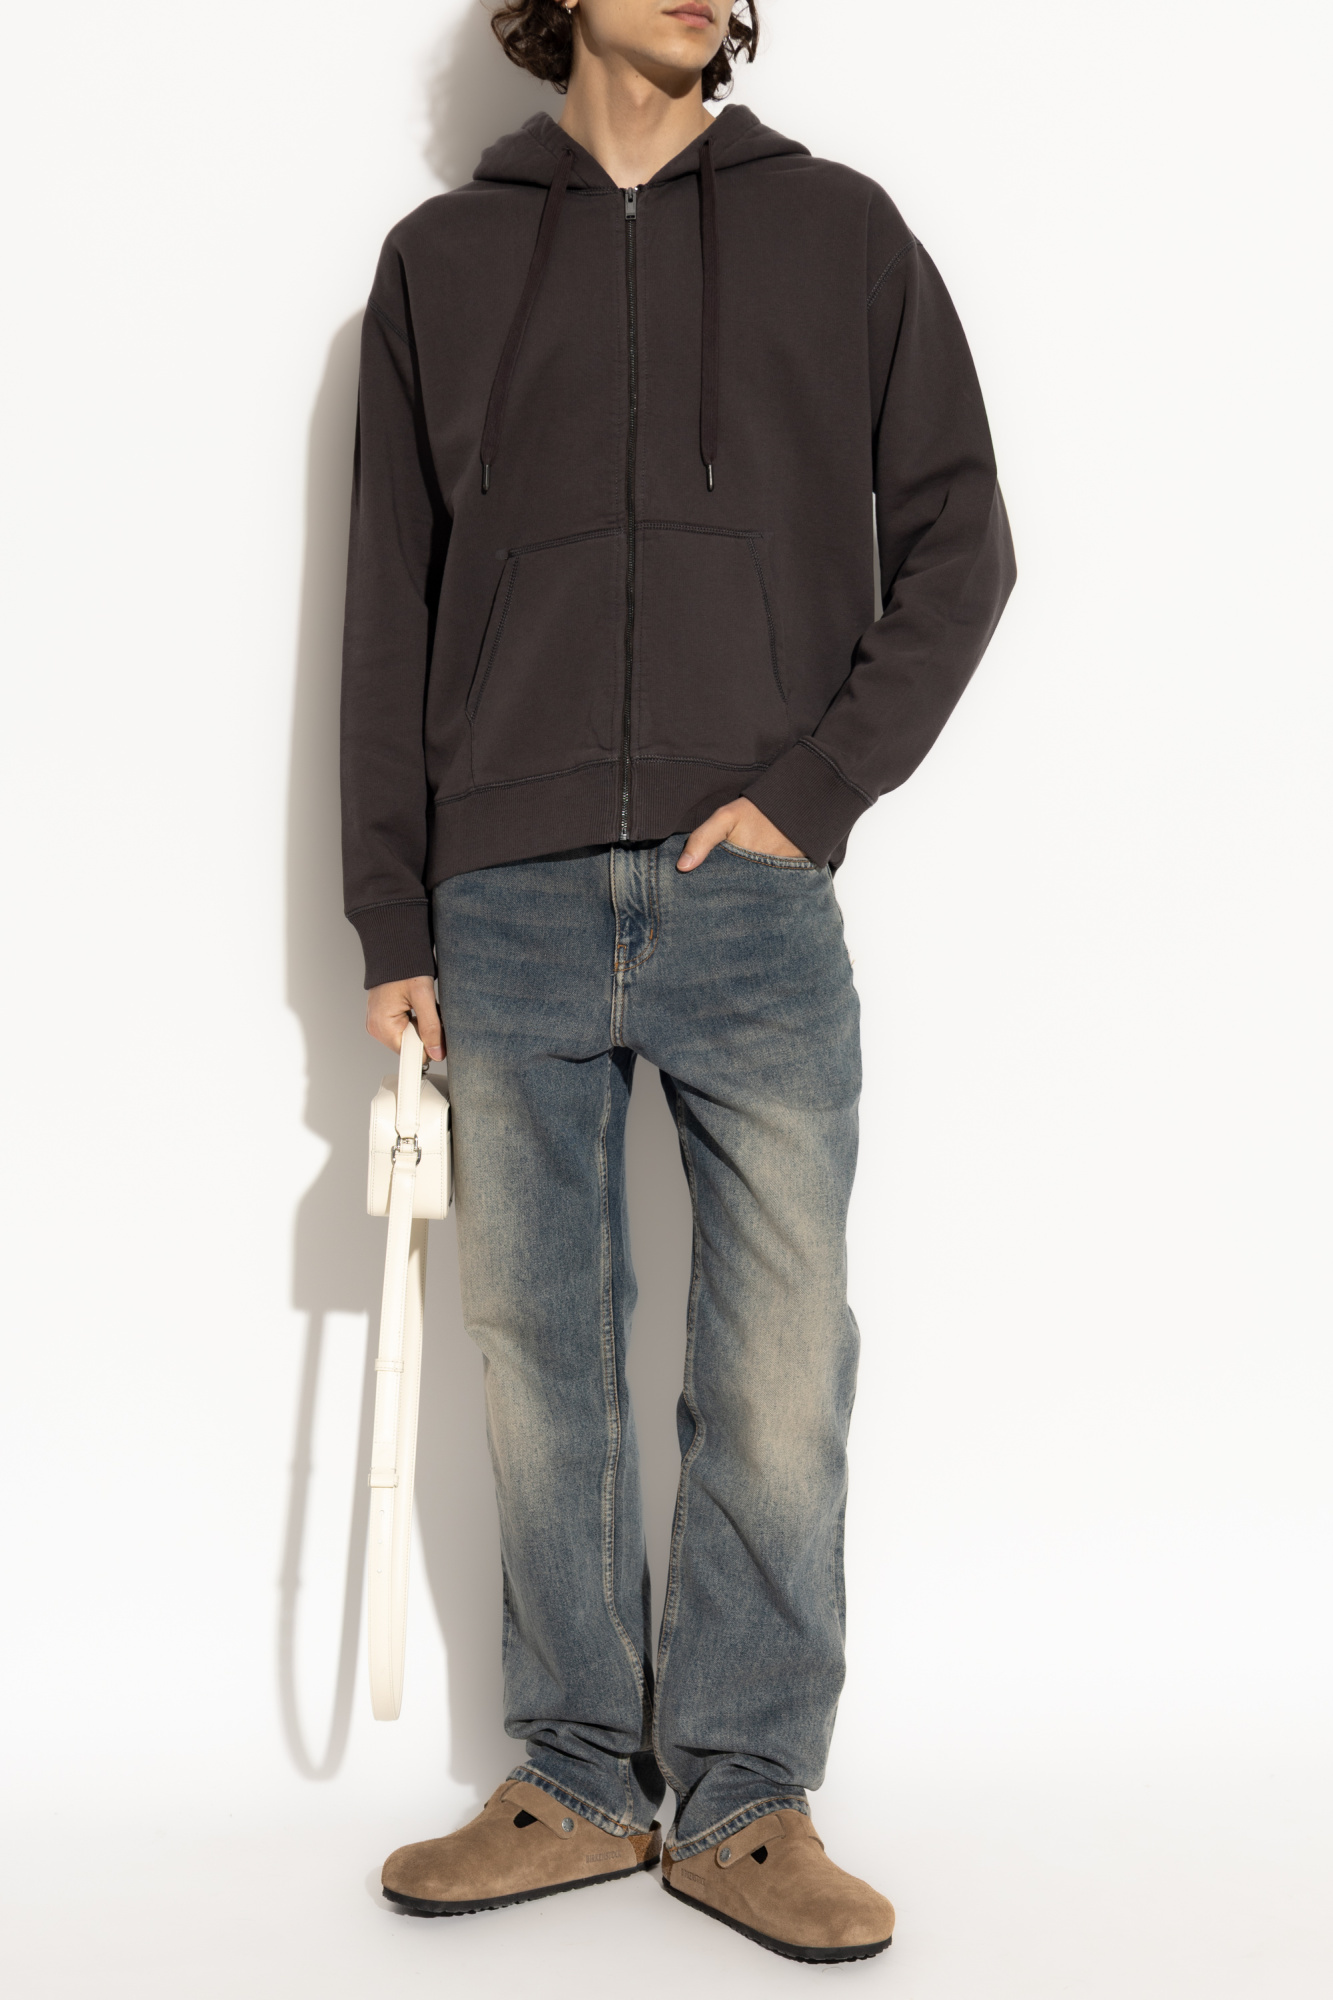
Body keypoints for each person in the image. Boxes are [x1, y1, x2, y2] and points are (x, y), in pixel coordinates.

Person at [340, 0, 1014, 1964]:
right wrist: (390, 915)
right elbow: (387, 606)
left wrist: (813, 792)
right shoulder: (442, 262)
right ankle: (572, 1775)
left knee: (780, 1362)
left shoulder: (841, 233)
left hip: (752, 897)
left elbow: (963, 543)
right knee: (539, 1359)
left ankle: (743, 1798)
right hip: (507, 898)